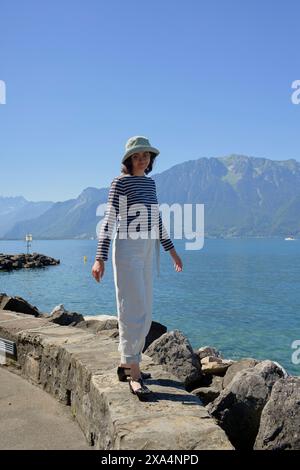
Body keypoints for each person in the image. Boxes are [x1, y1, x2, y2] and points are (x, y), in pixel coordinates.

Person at [91, 136, 183, 400]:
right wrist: (100, 258)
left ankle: (126, 364)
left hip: (147, 249)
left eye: (146, 155)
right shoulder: (119, 183)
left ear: (150, 159)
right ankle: (135, 374)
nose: (142, 159)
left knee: (146, 307)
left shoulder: (150, 183)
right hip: (128, 247)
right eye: (136, 155)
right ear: (128, 160)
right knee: (134, 309)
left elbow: (156, 220)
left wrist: (172, 251)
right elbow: (109, 220)